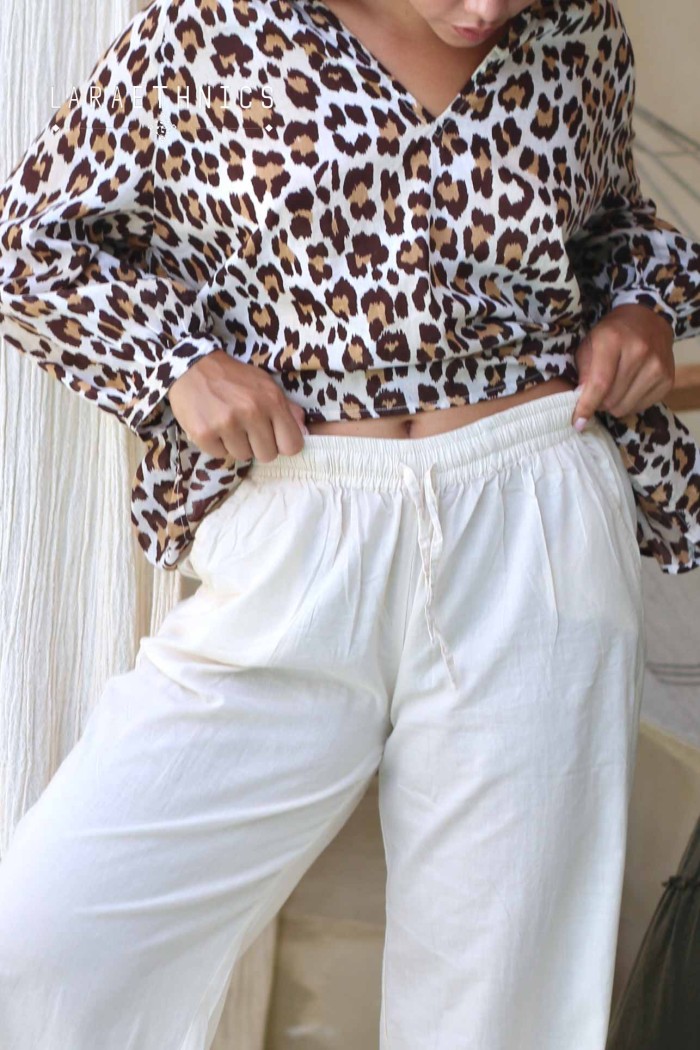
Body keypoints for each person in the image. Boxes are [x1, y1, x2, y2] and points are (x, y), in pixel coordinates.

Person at [0, 0, 698, 1047]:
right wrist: (175, 366)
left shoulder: (577, 32)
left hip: (537, 517)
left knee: (503, 1005)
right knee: (50, 938)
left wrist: (641, 310)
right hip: (302, 523)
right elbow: (29, 243)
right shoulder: (211, 32)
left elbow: (614, 229)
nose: (485, 13)